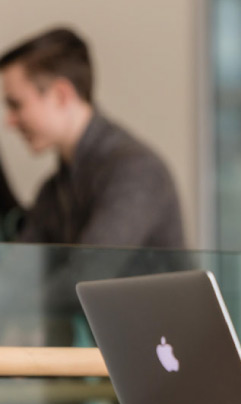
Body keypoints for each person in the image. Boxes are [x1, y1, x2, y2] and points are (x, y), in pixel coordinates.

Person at [0, 27, 184, 248]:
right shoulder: (53, 192)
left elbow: (86, 275)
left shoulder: (136, 171)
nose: (9, 121)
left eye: (16, 104)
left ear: (60, 95)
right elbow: (15, 273)